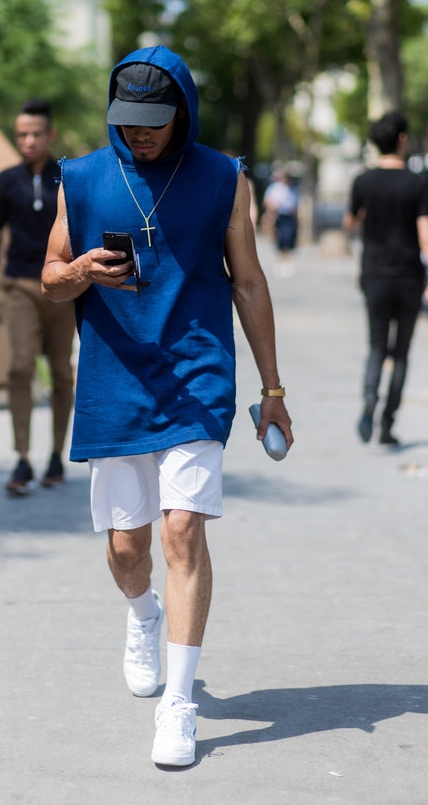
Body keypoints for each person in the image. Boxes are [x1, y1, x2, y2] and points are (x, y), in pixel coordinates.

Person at [41, 45, 293, 767]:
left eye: (155, 121)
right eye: (130, 120)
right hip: (115, 378)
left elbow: (247, 283)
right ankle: (142, 614)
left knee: (183, 530)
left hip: (197, 375)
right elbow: (51, 277)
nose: (141, 133)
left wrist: (272, 390)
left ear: (184, 110)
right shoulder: (83, 177)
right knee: (129, 550)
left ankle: (179, 707)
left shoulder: (223, 178)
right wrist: (82, 271)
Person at [0, 98, 75, 493]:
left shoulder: (69, 176)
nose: (29, 140)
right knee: (20, 368)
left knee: (60, 371)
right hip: (18, 286)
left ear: (50, 134)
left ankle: (56, 455)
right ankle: (22, 458)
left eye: (36, 133)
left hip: (63, 289)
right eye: (22, 133)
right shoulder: (5, 181)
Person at [343, 110, 428, 446]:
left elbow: (349, 224)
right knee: (402, 352)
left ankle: (368, 402)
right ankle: (387, 424)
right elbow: (425, 236)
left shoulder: (363, 180)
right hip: (409, 277)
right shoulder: (418, 183)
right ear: (403, 139)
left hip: (374, 275)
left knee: (376, 347)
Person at [262, 169, 298, 275]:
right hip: (278, 215)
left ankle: (286, 261)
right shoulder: (276, 188)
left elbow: (295, 205)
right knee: (280, 238)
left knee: (288, 238)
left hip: (289, 216)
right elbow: (267, 201)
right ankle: (281, 261)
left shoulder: (294, 189)